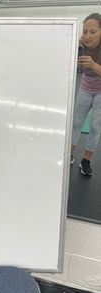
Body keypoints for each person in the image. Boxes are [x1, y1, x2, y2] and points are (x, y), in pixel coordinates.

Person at [71, 13, 101, 176]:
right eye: (85, 31)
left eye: (93, 32)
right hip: (85, 88)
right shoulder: (80, 45)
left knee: (95, 127)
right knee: (76, 123)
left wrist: (93, 65)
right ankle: (68, 154)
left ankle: (86, 160)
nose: (87, 35)